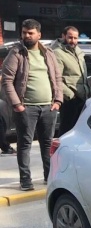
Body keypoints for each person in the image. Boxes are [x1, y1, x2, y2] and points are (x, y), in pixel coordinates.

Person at [1, 19, 62, 191]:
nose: (26, 35)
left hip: (48, 107)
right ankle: (26, 181)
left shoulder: (48, 53)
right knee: (25, 144)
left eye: (30, 33)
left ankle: (49, 177)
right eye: (24, 32)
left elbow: (57, 78)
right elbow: (7, 81)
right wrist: (17, 104)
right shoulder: (16, 53)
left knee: (47, 143)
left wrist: (57, 100)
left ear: (39, 35)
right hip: (26, 107)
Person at [52, 25, 91, 136]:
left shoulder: (78, 51)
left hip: (83, 96)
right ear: (63, 36)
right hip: (70, 99)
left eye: (75, 38)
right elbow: (55, 77)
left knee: (79, 131)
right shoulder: (57, 52)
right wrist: (70, 95)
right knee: (67, 130)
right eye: (70, 37)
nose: (73, 41)